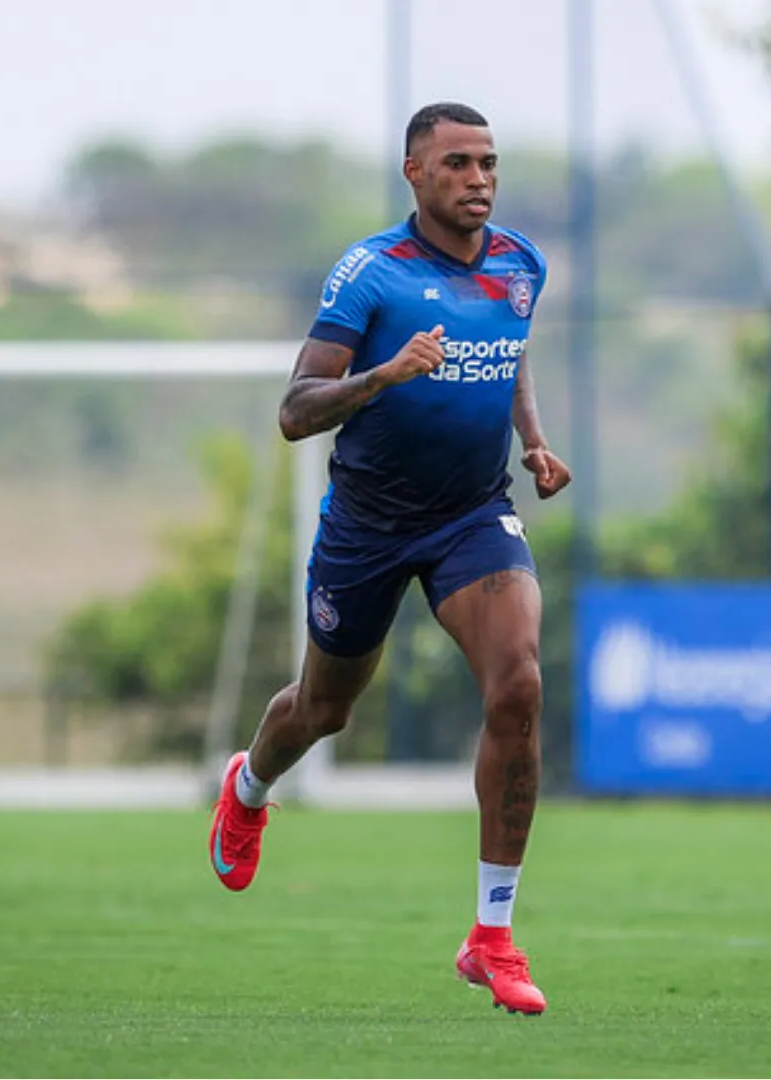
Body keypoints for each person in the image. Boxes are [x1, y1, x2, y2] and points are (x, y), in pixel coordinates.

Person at [206, 102, 571, 1017]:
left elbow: (506, 353)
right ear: (415, 174)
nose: (478, 178)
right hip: (367, 524)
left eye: (488, 162)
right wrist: (383, 376)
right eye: (457, 163)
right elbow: (295, 411)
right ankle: (248, 787)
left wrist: (532, 441)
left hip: (471, 516)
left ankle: (491, 936)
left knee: (519, 684)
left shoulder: (522, 264)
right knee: (321, 711)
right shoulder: (372, 275)